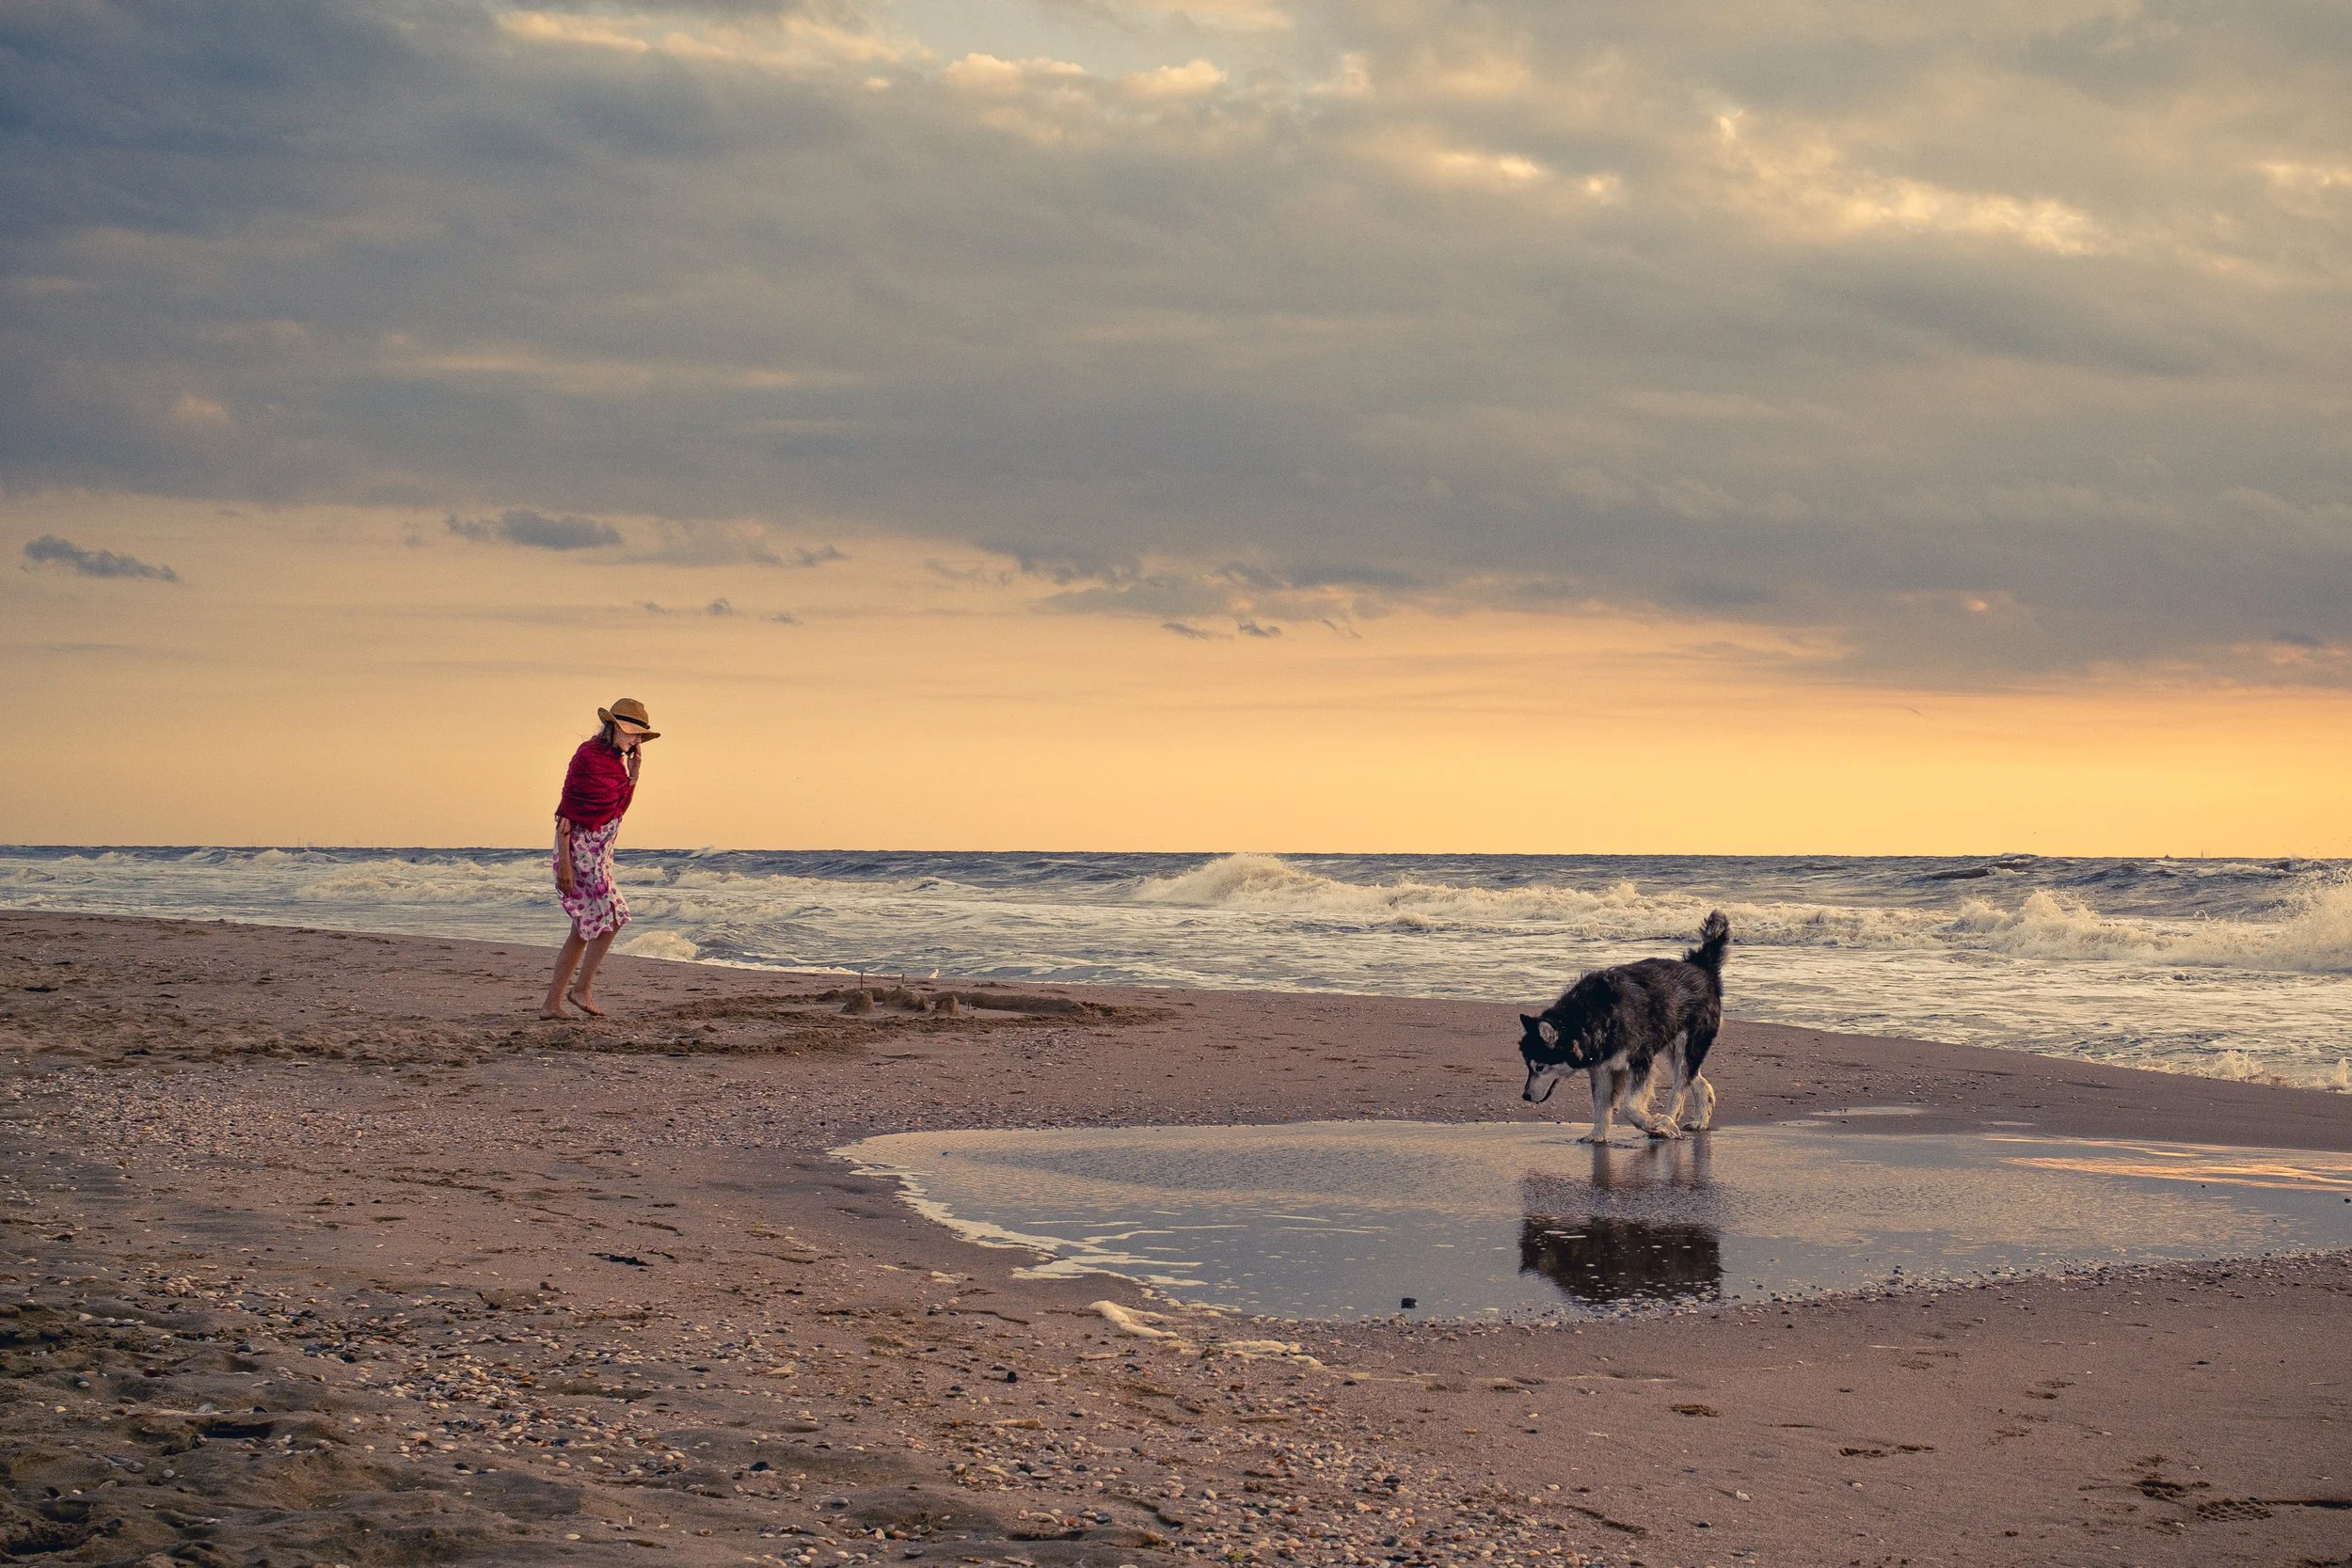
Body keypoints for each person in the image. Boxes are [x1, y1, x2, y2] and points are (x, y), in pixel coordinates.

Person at [542, 698, 658, 1019]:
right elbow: (567, 813)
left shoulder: (614, 762)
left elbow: (617, 809)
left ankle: (552, 1004)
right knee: (614, 917)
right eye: (633, 734)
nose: (636, 742)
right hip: (580, 851)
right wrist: (565, 863)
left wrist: (634, 775)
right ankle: (580, 990)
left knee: (584, 927)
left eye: (640, 737)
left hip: (600, 852)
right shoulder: (588, 758)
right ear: (615, 727)